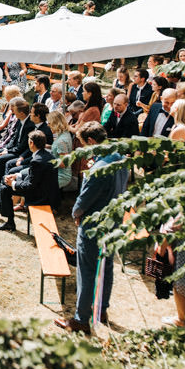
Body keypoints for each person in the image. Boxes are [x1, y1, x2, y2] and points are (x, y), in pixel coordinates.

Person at [55, 122, 129, 335]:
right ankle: (101, 309)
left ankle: (81, 319)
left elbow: (83, 201)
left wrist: (76, 214)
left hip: (94, 224)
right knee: (106, 267)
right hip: (113, 222)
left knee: (86, 271)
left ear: (91, 142)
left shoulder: (98, 169)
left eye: (82, 143)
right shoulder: (119, 158)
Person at [0, 130, 61, 231]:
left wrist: (13, 183)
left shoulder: (37, 160)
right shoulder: (46, 154)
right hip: (48, 191)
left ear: (31, 143)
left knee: (5, 188)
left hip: (41, 196)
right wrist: (17, 175)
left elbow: (29, 186)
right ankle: (4, 209)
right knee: (6, 184)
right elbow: (36, 175)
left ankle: (9, 221)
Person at [48, 111, 75, 191]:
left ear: (55, 123)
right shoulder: (65, 134)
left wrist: (47, 160)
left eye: (49, 123)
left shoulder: (61, 141)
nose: (48, 125)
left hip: (61, 175)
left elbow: (63, 164)